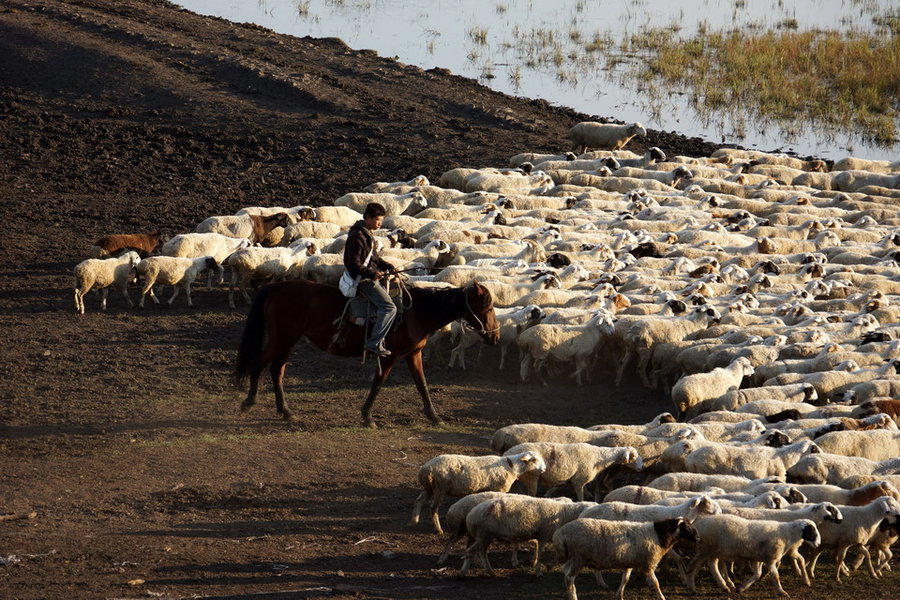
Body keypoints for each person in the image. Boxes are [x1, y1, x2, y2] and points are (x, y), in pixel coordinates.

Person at [342, 202, 397, 357]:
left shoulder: (366, 234)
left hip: (365, 276)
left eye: (381, 220)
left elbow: (373, 258)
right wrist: (371, 274)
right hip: (362, 280)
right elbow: (353, 264)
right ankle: (373, 343)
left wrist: (388, 266)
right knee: (389, 307)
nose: (380, 224)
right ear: (367, 218)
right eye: (377, 220)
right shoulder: (358, 236)